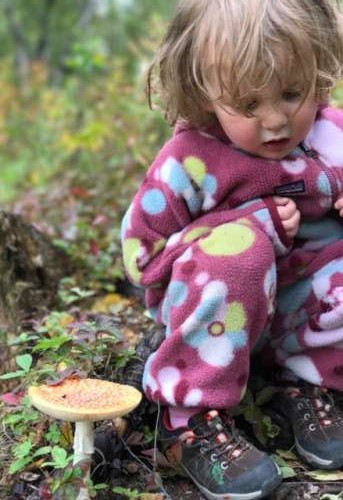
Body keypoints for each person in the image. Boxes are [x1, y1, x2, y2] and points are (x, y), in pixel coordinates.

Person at [121, 1, 343, 498]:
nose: (275, 122)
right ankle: (189, 419)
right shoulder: (192, 160)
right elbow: (143, 255)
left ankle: (307, 382)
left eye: (291, 93)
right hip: (213, 319)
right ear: (205, 96)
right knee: (240, 252)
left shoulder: (332, 135)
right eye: (248, 105)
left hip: (296, 315)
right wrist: (247, 223)